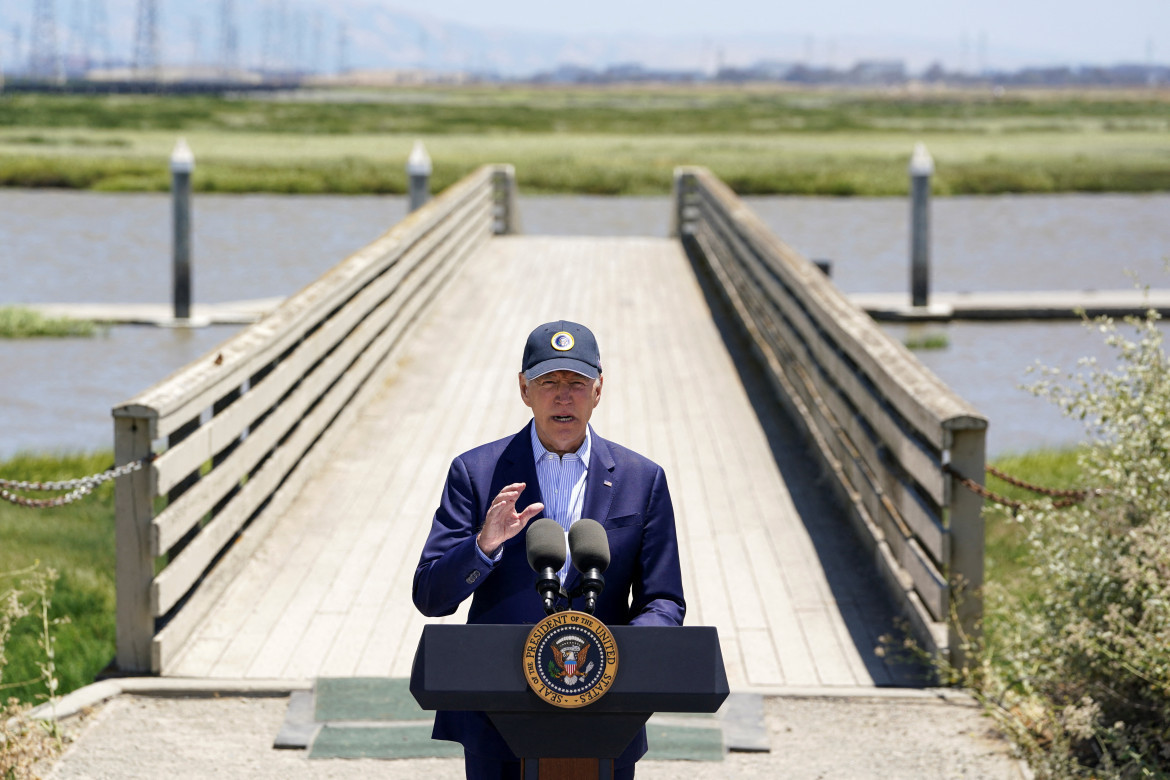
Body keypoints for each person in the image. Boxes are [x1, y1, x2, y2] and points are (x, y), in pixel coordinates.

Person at [413, 319, 686, 780]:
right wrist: (484, 545)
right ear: (524, 389)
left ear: (599, 389)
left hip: (606, 711)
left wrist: (625, 654)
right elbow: (430, 596)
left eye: (577, 383)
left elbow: (664, 599)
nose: (563, 396)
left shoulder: (643, 479)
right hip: (497, 714)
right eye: (548, 382)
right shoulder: (477, 472)